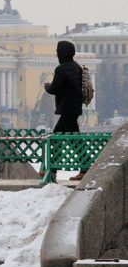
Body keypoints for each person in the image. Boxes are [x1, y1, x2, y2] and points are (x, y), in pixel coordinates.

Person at [44, 40, 85, 180]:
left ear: (62, 53)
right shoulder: (77, 67)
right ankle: (52, 170)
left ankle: (84, 169)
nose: (56, 54)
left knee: (73, 140)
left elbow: (55, 88)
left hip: (67, 109)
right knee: (60, 137)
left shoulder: (61, 69)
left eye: (58, 51)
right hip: (74, 108)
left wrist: (47, 86)